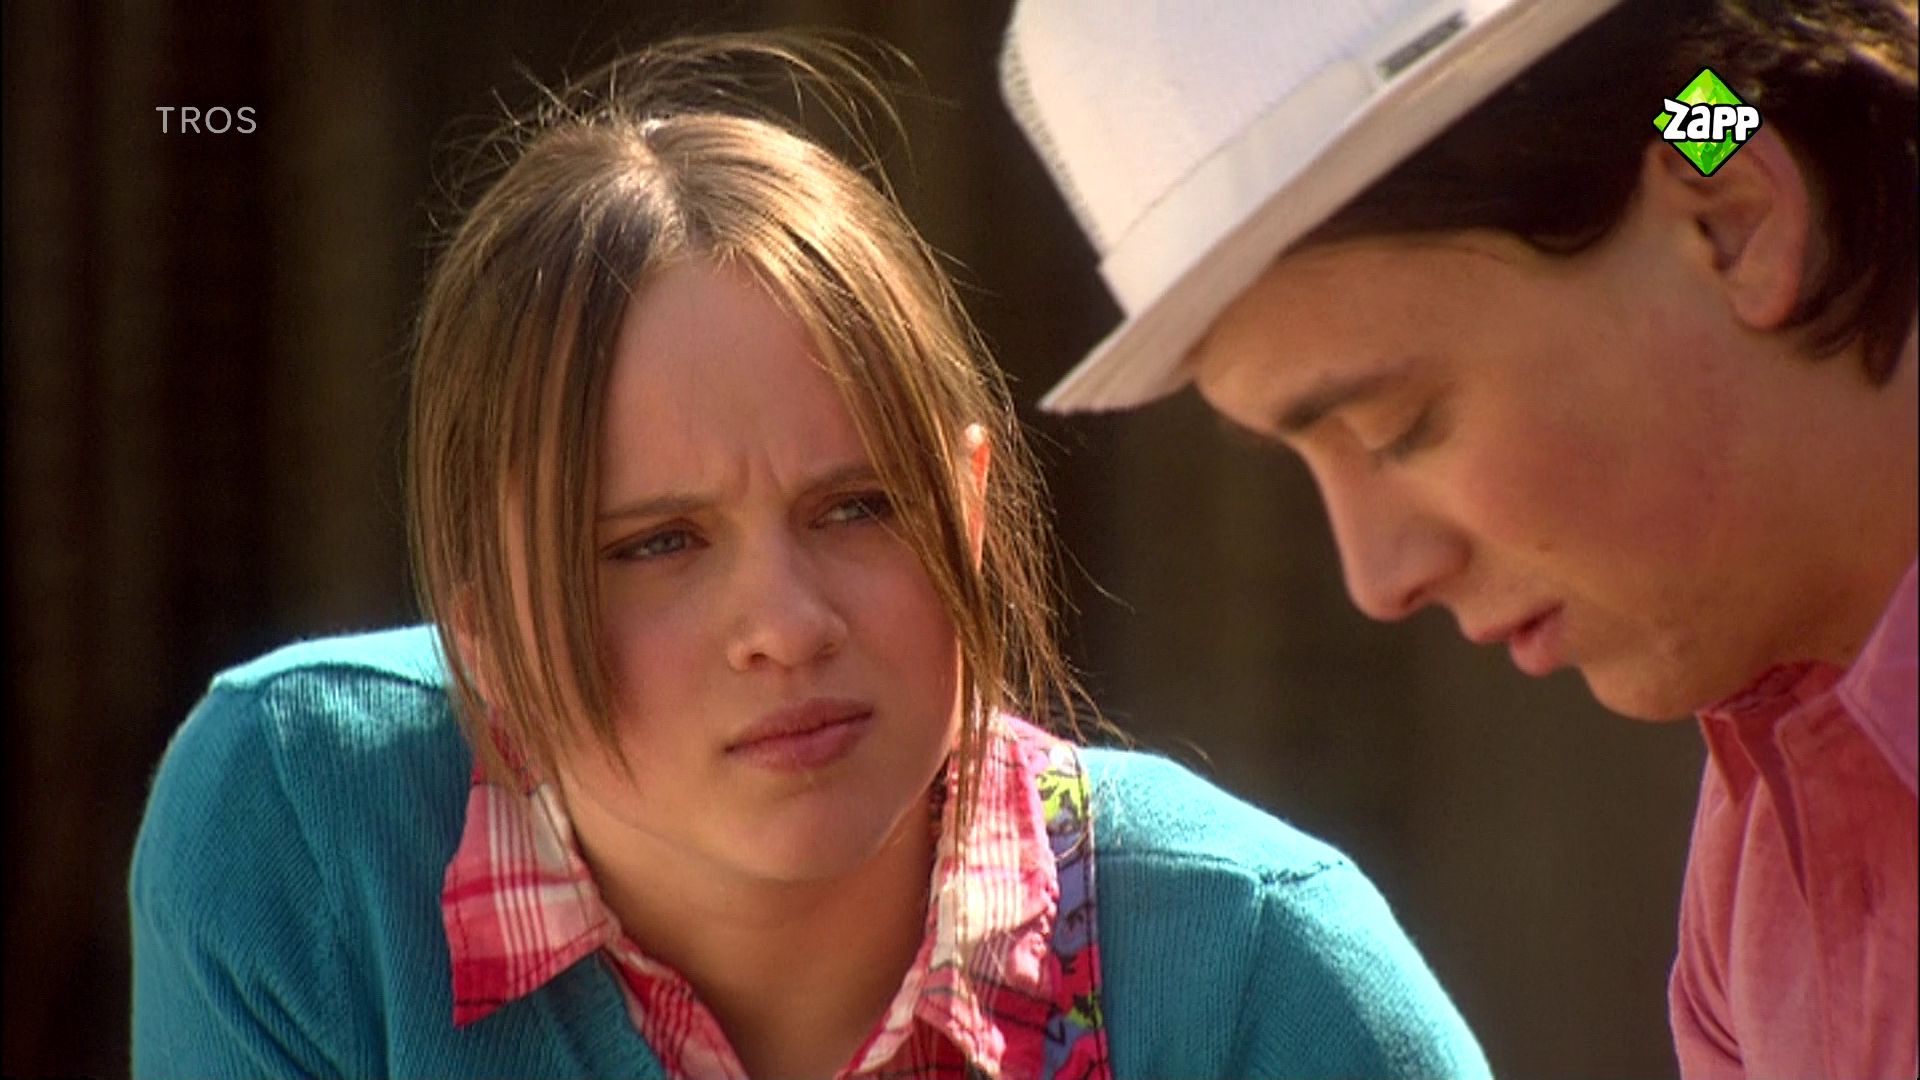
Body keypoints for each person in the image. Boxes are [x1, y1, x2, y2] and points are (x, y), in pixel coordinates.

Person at [128, 34, 1491, 1079]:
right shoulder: (304, 825)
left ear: (968, 511)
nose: (785, 623)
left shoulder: (1262, 973)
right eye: (656, 543)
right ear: (484, 627)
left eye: (858, 508)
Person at [1000, 0, 1917, 1076]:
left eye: (1399, 426)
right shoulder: (1766, 854)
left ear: (1731, 223)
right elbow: (1712, 96)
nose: (1375, 579)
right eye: (1304, 462)